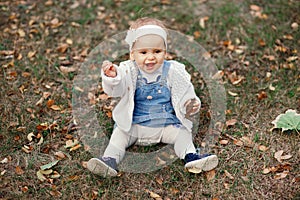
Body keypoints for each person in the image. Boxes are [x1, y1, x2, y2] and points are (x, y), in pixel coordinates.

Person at [87, 17, 218, 177]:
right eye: (143, 52)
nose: (151, 57)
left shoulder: (173, 71)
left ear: (165, 51)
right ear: (132, 54)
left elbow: (184, 91)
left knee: (183, 134)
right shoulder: (127, 71)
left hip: (165, 125)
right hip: (133, 126)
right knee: (118, 136)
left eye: (157, 51)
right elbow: (116, 90)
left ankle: (190, 156)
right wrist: (113, 78)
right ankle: (109, 160)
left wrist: (190, 104)